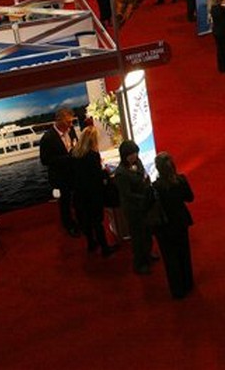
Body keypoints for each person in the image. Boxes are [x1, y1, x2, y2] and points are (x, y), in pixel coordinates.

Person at [152, 152, 195, 299]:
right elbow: (190, 198)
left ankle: (177, 290)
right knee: (184, 252)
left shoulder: (156, 187)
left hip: (164, 226)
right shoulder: (181, 180)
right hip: (181, 222)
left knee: (170, 258)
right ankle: (188, 283)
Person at [71, 125, 117, 256]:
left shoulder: (74, 153)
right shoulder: (93, 155)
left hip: (80, 194)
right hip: (93, 194)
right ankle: (105, 249)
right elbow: (97, 176)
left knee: (87, 221)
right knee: (97, 221)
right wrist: (106, 172)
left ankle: (91, 244)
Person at [113, 141, 155, 275]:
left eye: (136, 153)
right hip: (133, 208)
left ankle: (148, 254)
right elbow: (127, 194)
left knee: (147, 232)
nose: (135, 156)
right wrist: (144, 197)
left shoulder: (137, 162)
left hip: (144, 204)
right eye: (132, 154)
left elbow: (143, 173)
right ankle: (140, 262)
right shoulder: (121, 173)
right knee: (138, 236)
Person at [38, 108, 79, 237]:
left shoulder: (71, 131)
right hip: (60, 177)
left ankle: (80, 221)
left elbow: (75, 146)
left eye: (71, 121)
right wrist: (68, 158)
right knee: (65, 203)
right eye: (68, 122)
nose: (71, 125)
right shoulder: (47, 138)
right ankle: (69, 226)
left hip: (74, 173)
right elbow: (45, 161)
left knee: (77, 199)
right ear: (58, 121)